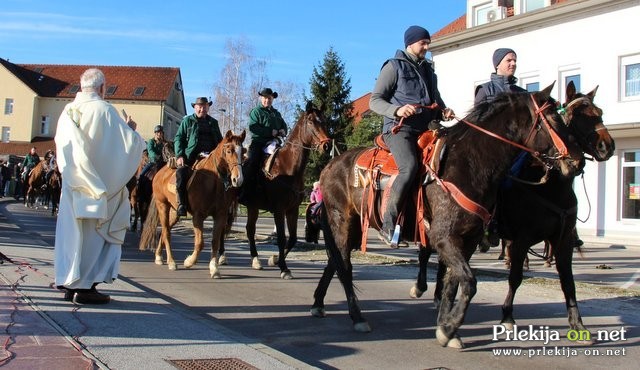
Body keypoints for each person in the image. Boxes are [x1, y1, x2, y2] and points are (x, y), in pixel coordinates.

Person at [54, 68, 146, 305]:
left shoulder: (68, 111)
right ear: (103, 88)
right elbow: (130, 146)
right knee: (95, 238)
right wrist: (132, 131)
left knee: (72, 237)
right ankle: (85, 288)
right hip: (100, 190)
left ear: (81, 86)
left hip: (74, 187)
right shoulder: (105, 110)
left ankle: (69, 283)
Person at [369, 25, 454, 247]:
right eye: (422, 43)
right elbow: (375, 100)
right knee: (409, 167)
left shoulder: (429, 69)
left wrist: (443, 111)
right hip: (399, 129)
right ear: (410, 43)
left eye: (428, 43)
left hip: (427, 127)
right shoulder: (393, 66)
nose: (426, 47)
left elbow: (434, 99)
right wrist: (397, 110)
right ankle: (388, 225)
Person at [174, 97, 223, 217]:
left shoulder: (213, 122)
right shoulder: (187, 121)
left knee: (228, 175)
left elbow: (221, 142)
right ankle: (182, 204)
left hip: (211, 157)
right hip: (191, 156)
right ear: (195, 108)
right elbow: (178, 138)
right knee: (181, 174)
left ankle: (226, 205)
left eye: (205, 106)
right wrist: (180, 155)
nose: (203, 109)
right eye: (200, 106)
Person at [240, 88, 288, 203]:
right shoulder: (256, 112)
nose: (268, 100)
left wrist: (283, 130)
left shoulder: (276, 113)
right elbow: (253, 128)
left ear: (272, 99)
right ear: (261, 98)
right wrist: (269, 132)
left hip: (275, 143)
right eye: (265, 98)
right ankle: (244, 192)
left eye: (270, 98)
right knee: (252, 162)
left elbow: (284, 125)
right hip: (259, 143)